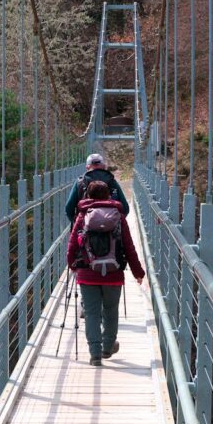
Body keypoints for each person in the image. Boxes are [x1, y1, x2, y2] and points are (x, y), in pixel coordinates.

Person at [67, 181, 145, 366]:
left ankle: (95, 354)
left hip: (87, 272)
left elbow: (72, 244)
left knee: (92, 313)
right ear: (109, 195)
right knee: (110, 311)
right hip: (114, 273)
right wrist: (138, 272)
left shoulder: (82, 214)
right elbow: (129, 247)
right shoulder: (118, 216)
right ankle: (107, 348)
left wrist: (72, 264)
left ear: (87, 196)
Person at [65, 153, 129, 224]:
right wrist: (115, 223)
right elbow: (125, 208)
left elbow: (69, 208)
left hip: (85, 229)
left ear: (87, 167)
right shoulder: (112, 181)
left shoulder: (80, 182)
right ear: (104, 166)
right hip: (111, 229)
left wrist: (77, 223)